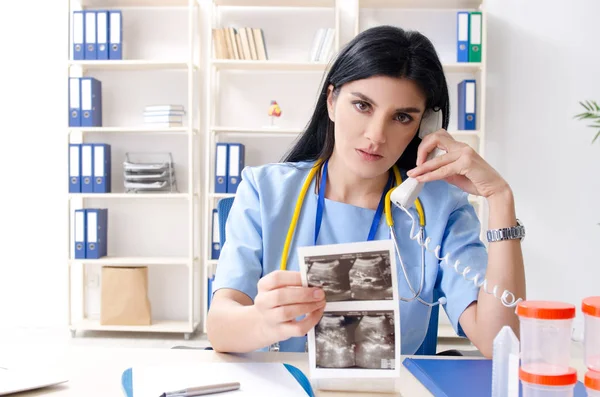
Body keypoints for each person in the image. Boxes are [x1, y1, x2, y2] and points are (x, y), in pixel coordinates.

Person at [206, 25, 526, 358]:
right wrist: (262, 321)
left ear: (425, 127)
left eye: (401, 117)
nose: (376, 135)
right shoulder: (265, 190)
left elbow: (500, 344)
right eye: (362, 106)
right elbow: (220, 328)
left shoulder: (440, 210)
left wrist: (500, 198)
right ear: (332, 101)